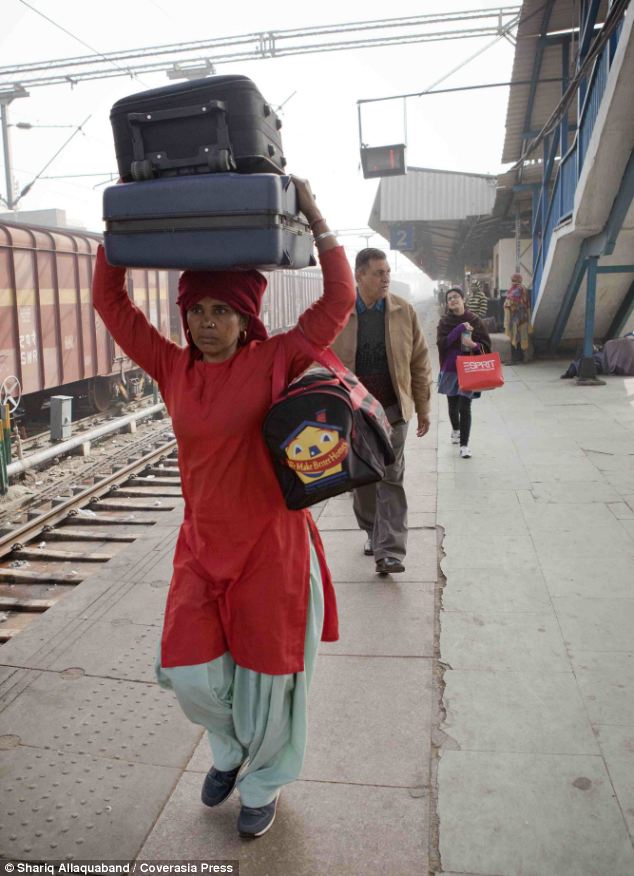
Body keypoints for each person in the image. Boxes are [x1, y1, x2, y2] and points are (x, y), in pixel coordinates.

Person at [92, 177, 355, 840]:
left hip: (270, 547)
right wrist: (120, 227)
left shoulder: (276, 359)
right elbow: (109, 300)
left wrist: (315, 215)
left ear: (245, 319)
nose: (206, 323)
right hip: (203, 548)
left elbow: (340, 298)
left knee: (270, 683)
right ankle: (231, 752)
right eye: (197, 310)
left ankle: (262, 783)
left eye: (221, 311)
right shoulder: (171, 366)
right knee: (191, 672)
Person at [330, 247, 432, 575]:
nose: (386, 277)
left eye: (387, 272)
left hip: (393, 410)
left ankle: (390, 551)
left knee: (391, 476)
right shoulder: (339, 314)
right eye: (378, 272)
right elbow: (320, 360)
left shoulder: (404, 311)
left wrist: (424, 407)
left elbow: (419, 361)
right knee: (361, 479)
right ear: (359, 276)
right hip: (355, 413)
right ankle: (372, 528)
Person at [437, 287, 491, 458]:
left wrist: (474, 345)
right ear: (447, 303)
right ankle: (455, 429)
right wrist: (459, 329)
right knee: (453, 405)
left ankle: (464, 445)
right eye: (449, 298)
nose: (453, 300)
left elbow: (486, 345)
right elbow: (442, 343)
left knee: (464, 406)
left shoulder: (475, 320)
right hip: (450, 369)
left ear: (463, 299)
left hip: (469, 369)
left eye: (456, 297)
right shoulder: (445, 322)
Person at [504, 272, 531, 363]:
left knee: (516, 337)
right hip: (520, 318)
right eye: (512, 280)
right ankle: (520, 358)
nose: (512, 282)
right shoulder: (519, 288)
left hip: (518, 318)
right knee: (518, 338)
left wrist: (508, 301)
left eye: (514, 280)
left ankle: (516, 359)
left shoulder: (519, 288)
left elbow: (511, 300)